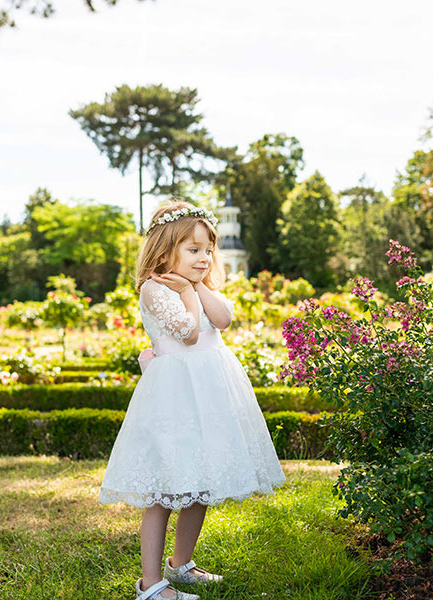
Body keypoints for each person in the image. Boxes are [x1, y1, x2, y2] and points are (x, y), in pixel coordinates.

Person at [98, 200, 286, 600]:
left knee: (201, 482)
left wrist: (196, 285)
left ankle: (180, 564)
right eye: (193, 250)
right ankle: (150, 585)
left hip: (210, 395)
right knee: (165, 491)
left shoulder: (199, 286)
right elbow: (187, 332)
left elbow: (222, 320)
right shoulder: (154, 289)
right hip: (176, 398)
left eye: (208, 250)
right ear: (166, 251)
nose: (204, 258)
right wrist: (185, 291)